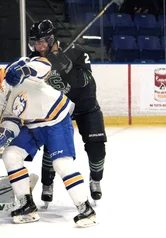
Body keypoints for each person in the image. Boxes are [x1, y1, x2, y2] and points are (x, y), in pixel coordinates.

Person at [0, 55, 96, 227]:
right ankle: (26, 205)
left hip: (55, 119)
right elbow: (10, 119)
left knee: (61, 164)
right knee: (10, 155)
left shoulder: (16, 66)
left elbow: (45, 66)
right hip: (32, 125)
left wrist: (23, 71)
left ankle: (85, 209)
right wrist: (0, 138)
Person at [28, 19, 107, 205]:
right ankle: (47, 183)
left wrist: (66, 65)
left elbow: (85, 79)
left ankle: (95, 179)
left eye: (41, 41)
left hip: (86, 106)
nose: (38, 46)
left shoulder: (76, 51)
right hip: (59, 109)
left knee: (97, 148)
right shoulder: (35, 60)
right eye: (35, 42)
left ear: (51, 38)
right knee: (53, 148)